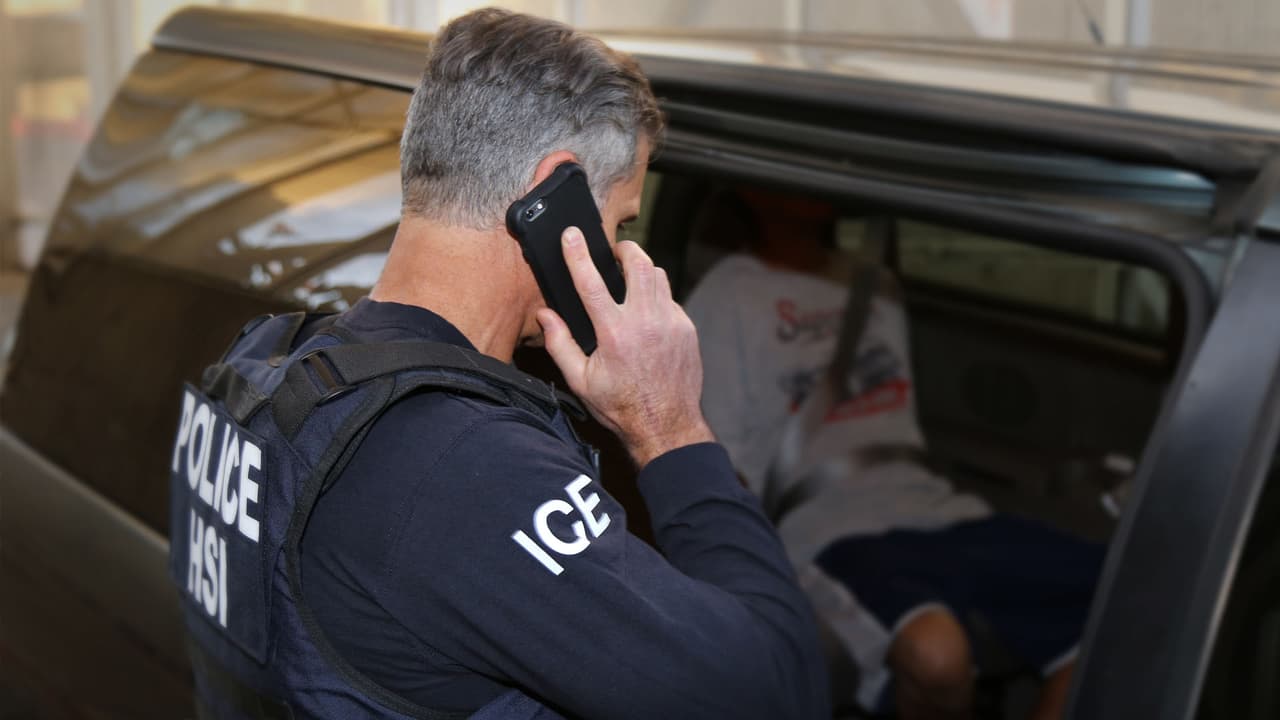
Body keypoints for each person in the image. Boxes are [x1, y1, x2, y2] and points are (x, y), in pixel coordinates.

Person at [165, 10, 829, 720]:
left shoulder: (272, 369)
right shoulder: (462, 469)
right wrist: (669, 426)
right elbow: (777, 691)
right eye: (619, 223)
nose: (619, 254)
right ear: (556, 197)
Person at [683, 190, 1104, 720]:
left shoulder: (875, 283)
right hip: (828, 531)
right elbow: (721, 464)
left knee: (1121, 593)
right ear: (753, 190)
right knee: (938, 656)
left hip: (937, 509)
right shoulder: (725, 297)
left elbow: (892, 420)